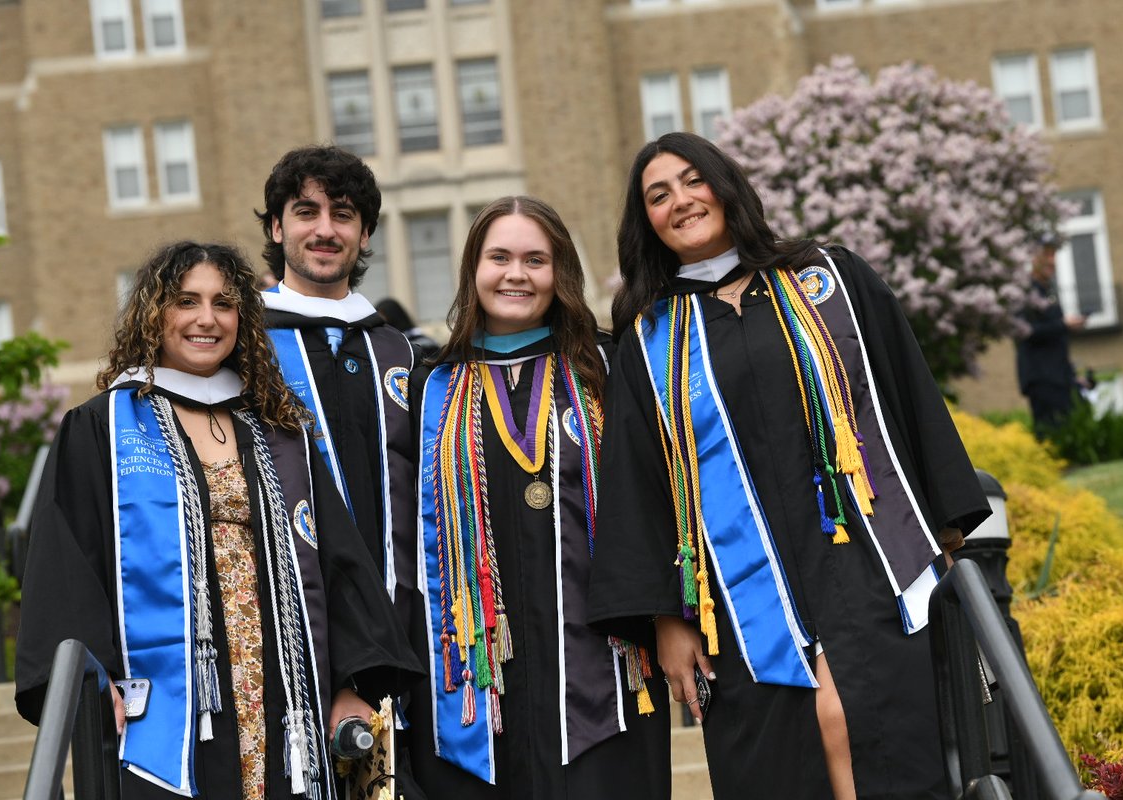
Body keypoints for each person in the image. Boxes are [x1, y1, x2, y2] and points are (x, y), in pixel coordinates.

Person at [588, 132, 990, 800]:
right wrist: (665, 618)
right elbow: (639, 481)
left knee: (880, 724)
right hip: (738, 592)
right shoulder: (650, 339)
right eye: (659, 196)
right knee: (789, 750)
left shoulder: (829, 280)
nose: (681, 201)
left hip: (865, 556)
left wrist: (944, 533)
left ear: (726, 186)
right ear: (646, 222)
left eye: (693, 180)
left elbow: (907, 391)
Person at [14, 241, 422, 799]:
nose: (206, 319)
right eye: (186, 301)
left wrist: (351, 682)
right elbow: (66, 565)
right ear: (154, 313)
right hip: (168, 711)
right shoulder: (102, 428)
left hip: (286, 696)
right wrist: (93, 679)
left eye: (224, 303)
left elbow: (338, 562)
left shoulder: (280, 429)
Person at [408, 196, 670, 798]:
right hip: (481, 680)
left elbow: (654, 500)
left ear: (561, 272)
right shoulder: (430, 387)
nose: (516, 275)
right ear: (473, 269)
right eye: (499, 257)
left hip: (609, 667)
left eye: (535, 260)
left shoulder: (608, 368)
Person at [256, 146, 417, 622]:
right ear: (277, 227)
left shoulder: (398, 352)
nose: (325, 230)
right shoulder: (244, 348)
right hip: (289, 615)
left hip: (399, 615)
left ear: (364, 235)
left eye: (343, 215)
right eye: (306, 212)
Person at [1015, 232, 1084, 437]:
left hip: (1059, 376)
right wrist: (1062, 324)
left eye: (1053, 255)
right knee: (1051, 435)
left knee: (1069, 429)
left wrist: (1071, 376)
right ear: (1033, 258)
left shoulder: (1048, 290)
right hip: (1042, 378)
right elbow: (1025, 330)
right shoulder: (1025, 292)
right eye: (1046, 255)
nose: (1052, 261)